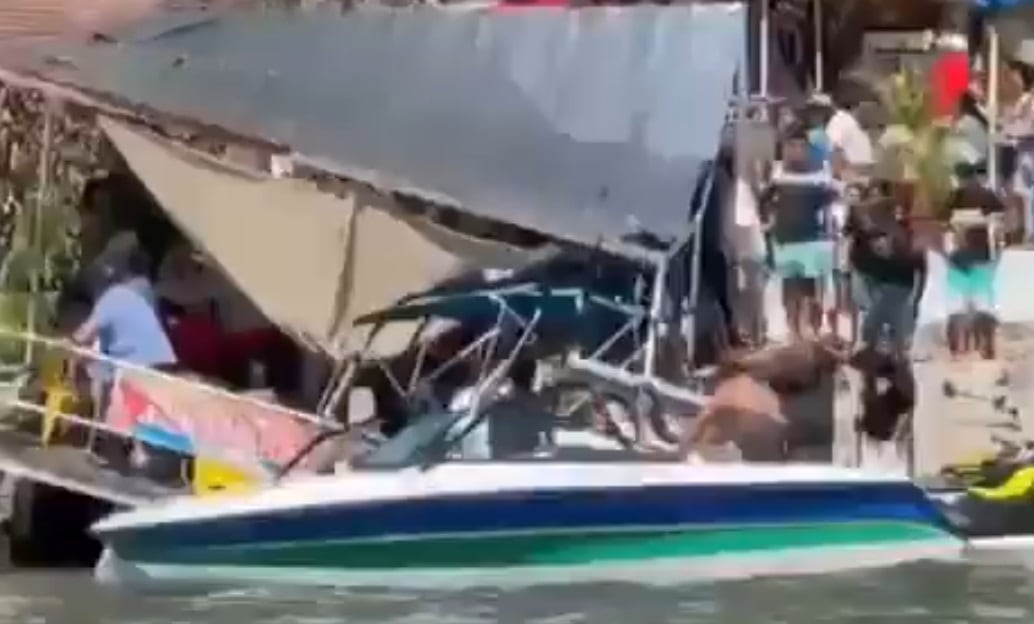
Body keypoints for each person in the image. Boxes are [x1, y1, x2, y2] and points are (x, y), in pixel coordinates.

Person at [763, 125, 838, 339]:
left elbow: (832, 198)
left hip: (813, 239)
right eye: (791, 145)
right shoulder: (777, 173)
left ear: (807, 148)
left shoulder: (820, 173)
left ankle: (809, 330)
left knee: (810, 290)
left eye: (801, 146)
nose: (796, 150)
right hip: (785, 239)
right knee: (790, 289)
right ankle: (793, 331)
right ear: (784, 148)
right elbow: (764, 200)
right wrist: (766, 222)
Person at [845, 193, 925, 353]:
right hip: (880, 285)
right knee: (876, 329)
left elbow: (919, 268)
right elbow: (857, 263)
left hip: (898, 286)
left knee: (883, 329)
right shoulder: (864, 238)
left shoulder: (904, 235)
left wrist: (915, 298)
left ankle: (891, 352)